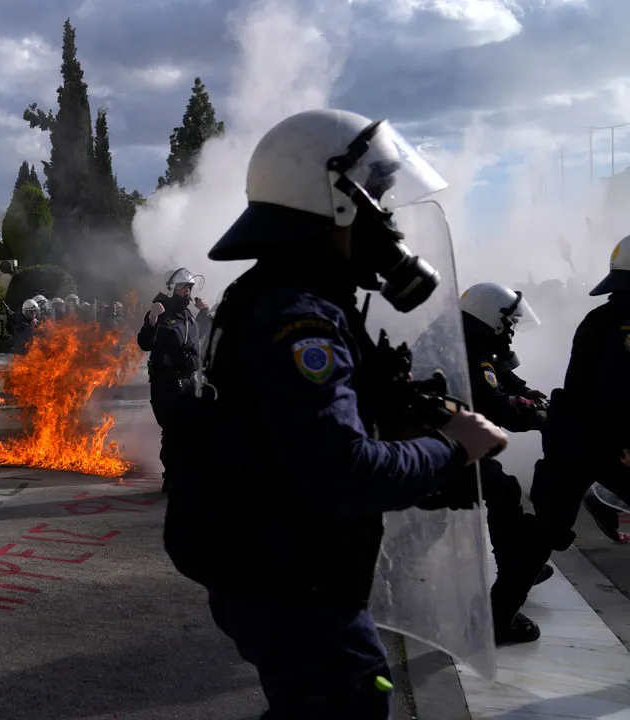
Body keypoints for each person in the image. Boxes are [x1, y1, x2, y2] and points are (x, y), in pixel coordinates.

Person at [164, 109, 509, 718]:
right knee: (351, 695)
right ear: (335, 202)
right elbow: (340, 472)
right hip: (287, 575)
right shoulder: (299, 319)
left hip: (271, 561)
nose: (389, 220)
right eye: (378, 198)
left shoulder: (287, 297)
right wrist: (455, 446)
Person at [454, 282, 553, 644]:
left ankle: (518, 565)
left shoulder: (466, 340)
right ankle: (515, 571)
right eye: (507, 321)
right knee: (502, 490)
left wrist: (525, 392)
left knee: (501, 489)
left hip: (444, 439)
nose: (510, 329)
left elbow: (498, 375)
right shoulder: (472, 350)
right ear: (490, 317)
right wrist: (539, 416)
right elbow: (495, 404)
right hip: (445, 447)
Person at [529, 235, 630, 585]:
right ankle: (502, 607)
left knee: (550, 524)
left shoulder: (603, 316)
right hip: (595, 434)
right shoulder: (622, 324)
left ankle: (510, 594)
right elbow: (615, 390)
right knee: (550, 525)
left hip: (576, 433)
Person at [137, 268, 209, 493]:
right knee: (173, 430)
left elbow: (195, 337)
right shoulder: (161, 311)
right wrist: (152, 318)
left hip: (188, 382)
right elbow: (145, 343)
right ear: (171, 289)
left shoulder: (187, 315)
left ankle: (186, 473)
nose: (187, 292)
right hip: (166, 384)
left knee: (191, 429)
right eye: (182, 288)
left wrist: (204, 315)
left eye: (189, 288)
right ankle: (172, 477)